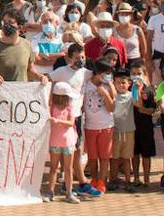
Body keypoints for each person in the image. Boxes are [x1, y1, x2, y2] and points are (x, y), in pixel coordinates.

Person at [48, 43, 96, 198]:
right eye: (76, 58)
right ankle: (67, 182)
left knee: (76, 148)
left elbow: (98, 75)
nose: (80, 60)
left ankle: (73, 182)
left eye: (82, 57)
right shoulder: (62, 71)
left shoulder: (86, 73)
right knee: (64, 149)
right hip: (62, 115)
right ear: (69, 58)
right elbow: (48, 78)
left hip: (76, 115)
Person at [0, 10, 48, 84]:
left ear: (19, 27)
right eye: (4, 22)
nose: (6, 25)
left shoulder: (27, 44)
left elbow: (30, 69)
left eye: (10, 22)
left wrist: (40, 77)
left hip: (21, 92)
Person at [82, 61, 116, 195]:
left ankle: (102, 181)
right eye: (106, 73)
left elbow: (112, 107)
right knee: (92, 156)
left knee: (104, 156)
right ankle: (94, 180)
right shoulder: (86, 85)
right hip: (90, 126)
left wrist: (105, 93)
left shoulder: (107, 86)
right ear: (98, 73)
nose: (108, 76)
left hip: (106, 125)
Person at [45, 82, 80, 203]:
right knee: (53, 167)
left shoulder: (70, 107)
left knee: (68, 168)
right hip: (55, 141)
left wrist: (57, 120)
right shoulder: (51, 107)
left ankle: (69, 192)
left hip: (68, 142)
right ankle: (50, 192)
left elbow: (71, 123)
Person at [129, 59, 157, 188]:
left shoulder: (148, 91)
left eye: (139, 73)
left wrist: (144, 109)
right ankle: (136, 177)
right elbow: (135, 104)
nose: (136, 76)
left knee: (146, 154)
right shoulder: (128, 89)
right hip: (132, 126)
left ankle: (146, 178)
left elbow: (151, 109)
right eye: (133, 73)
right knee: (134, 154)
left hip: (145, 127)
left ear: (145, 74)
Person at [111, 70, 137, 191]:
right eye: (118, 83)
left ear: (129, 84)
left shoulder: (131, 95)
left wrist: (137, 87)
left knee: (127, 158)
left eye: (124, 83)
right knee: (114, 158)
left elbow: (138, 102)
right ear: (114, 83)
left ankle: (128, 181)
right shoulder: (113, 95)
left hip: (129, 131)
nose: (121, 85)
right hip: (115, 131)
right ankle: (113, 180)